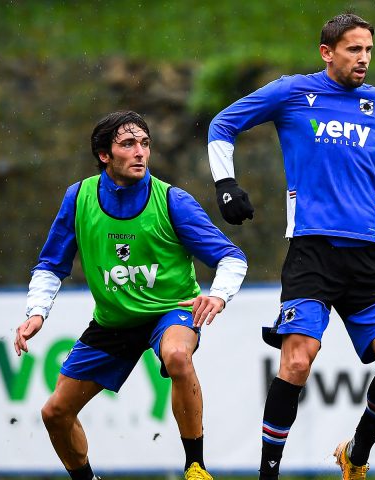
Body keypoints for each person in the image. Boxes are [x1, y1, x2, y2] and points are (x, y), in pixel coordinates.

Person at [207, 13, 375, 480]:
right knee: (297, 359)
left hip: (367, 257)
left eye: (369, 50)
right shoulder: (293, 92)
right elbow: (222, 124)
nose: (364, 59)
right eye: (354, 49)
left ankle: (355, 454)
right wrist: (226, 183)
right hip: (311, 252)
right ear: (327, 52)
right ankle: (267, 476)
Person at [14, 111, 248, 480]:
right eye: (128, 144)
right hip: (114, 321)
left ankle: (196, 468)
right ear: (104, 155)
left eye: (145, 144)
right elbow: (50, 264)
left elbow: (232, 258)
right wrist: (36, 313)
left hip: (171, 311)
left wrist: (217, 296)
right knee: (54, 414)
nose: (140, 152)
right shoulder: (79, 198)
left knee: (176, 355)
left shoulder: (173, 200)